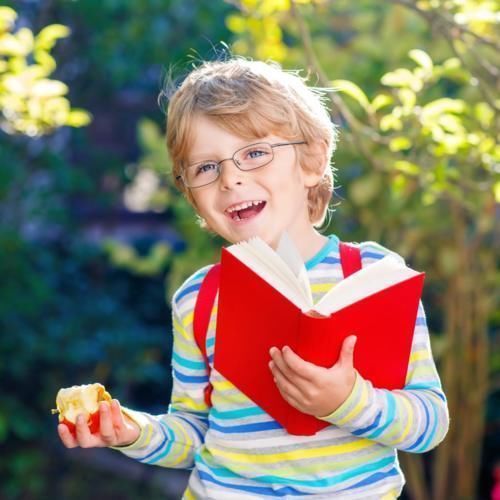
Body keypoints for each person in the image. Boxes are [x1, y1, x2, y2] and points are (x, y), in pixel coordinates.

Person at [57, 57, 449, 499]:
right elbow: (192, 432)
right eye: (206, 168)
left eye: (255, 153)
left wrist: (349, 402)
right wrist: (131, 431)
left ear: (312, 161)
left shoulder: (374, 277)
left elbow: (429, 423)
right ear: (190, 193)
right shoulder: (198, 300)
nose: (230, 179)